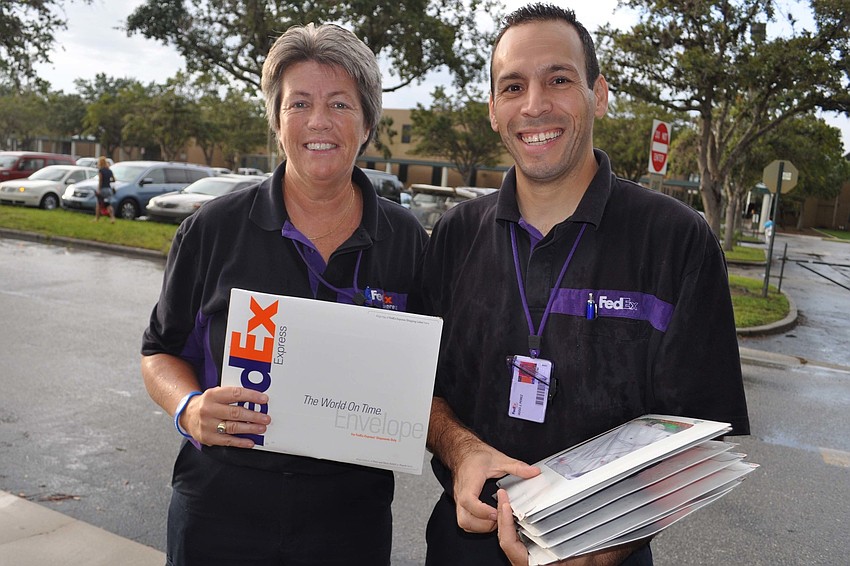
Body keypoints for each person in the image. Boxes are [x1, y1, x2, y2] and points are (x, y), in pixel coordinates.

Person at [414, 4, 750, 565]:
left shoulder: (675, 240)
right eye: (513, 86)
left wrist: (607, 539)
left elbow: (697, 431)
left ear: (600, 94)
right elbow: (418, 391)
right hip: (461, 545)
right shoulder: (453, 236)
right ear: (494, 111)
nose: (535, 104)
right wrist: (461, 447)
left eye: (559, 79)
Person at [140, 23, 427, 566]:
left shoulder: (408, 240)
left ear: (367, 123)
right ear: (276, 120)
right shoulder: (213, 229)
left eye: (340, 104)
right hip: (219, 512)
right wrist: (188, 406)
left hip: (350, 520)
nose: (319, 121)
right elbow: (159, 351)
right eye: (299, 104)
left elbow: (429, 373)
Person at [94, 155, 115, 223]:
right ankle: (112, 218)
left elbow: (100, 180)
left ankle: (97, 219)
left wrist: (99, 189)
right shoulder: (109, 171)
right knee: (108, 204)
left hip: (103, 189)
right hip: (109, 189)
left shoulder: (101, 171)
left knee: (98, 204)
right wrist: (108, 181)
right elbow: (114, 180)